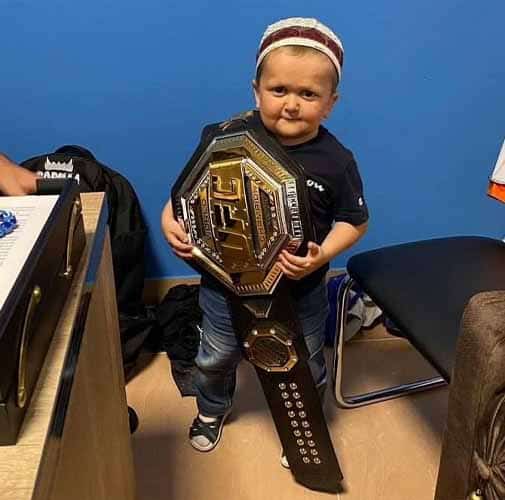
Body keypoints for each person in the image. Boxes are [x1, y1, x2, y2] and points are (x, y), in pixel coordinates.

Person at [162, 17, 369, 463]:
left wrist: (322, 256)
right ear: (256, 91)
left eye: (308, 94)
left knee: (304, 359)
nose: (291, 104)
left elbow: (355, 222)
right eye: (279, 90)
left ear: (330, 104)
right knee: (215, 355)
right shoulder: (224, 137)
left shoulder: (336, 161)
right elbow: (184, 194)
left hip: (300, 290)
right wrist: (170, 223)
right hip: (224, 286)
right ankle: (212, 408)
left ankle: (304, 426)